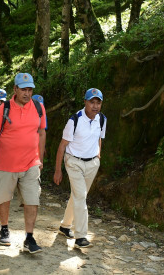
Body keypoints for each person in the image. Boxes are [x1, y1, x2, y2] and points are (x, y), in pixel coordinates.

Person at [0, 73, 46, 254]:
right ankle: (4, 228)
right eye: (23, 89)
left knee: (32, 200)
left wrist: (40, 158)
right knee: (4, 198)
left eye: (30, 89)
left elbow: (41, 133)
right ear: (15, 89)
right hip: (5, 163)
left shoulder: (38, 107)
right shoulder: (4, 108)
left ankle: (29, 237)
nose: (27, 93)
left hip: (30, 163)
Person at [53, 88, 107, 249]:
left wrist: (98, 156)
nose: (95, 106)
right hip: (74, 162)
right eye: (92, 102)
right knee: (81, 197)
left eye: (98, 102)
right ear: (85, 102)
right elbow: (62, 146)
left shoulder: (102, 119)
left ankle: (65, 225)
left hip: (92, 164)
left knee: (77, 196)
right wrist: (58, 170)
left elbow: (99, 138)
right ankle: (81, 237)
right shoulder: (74, 120)